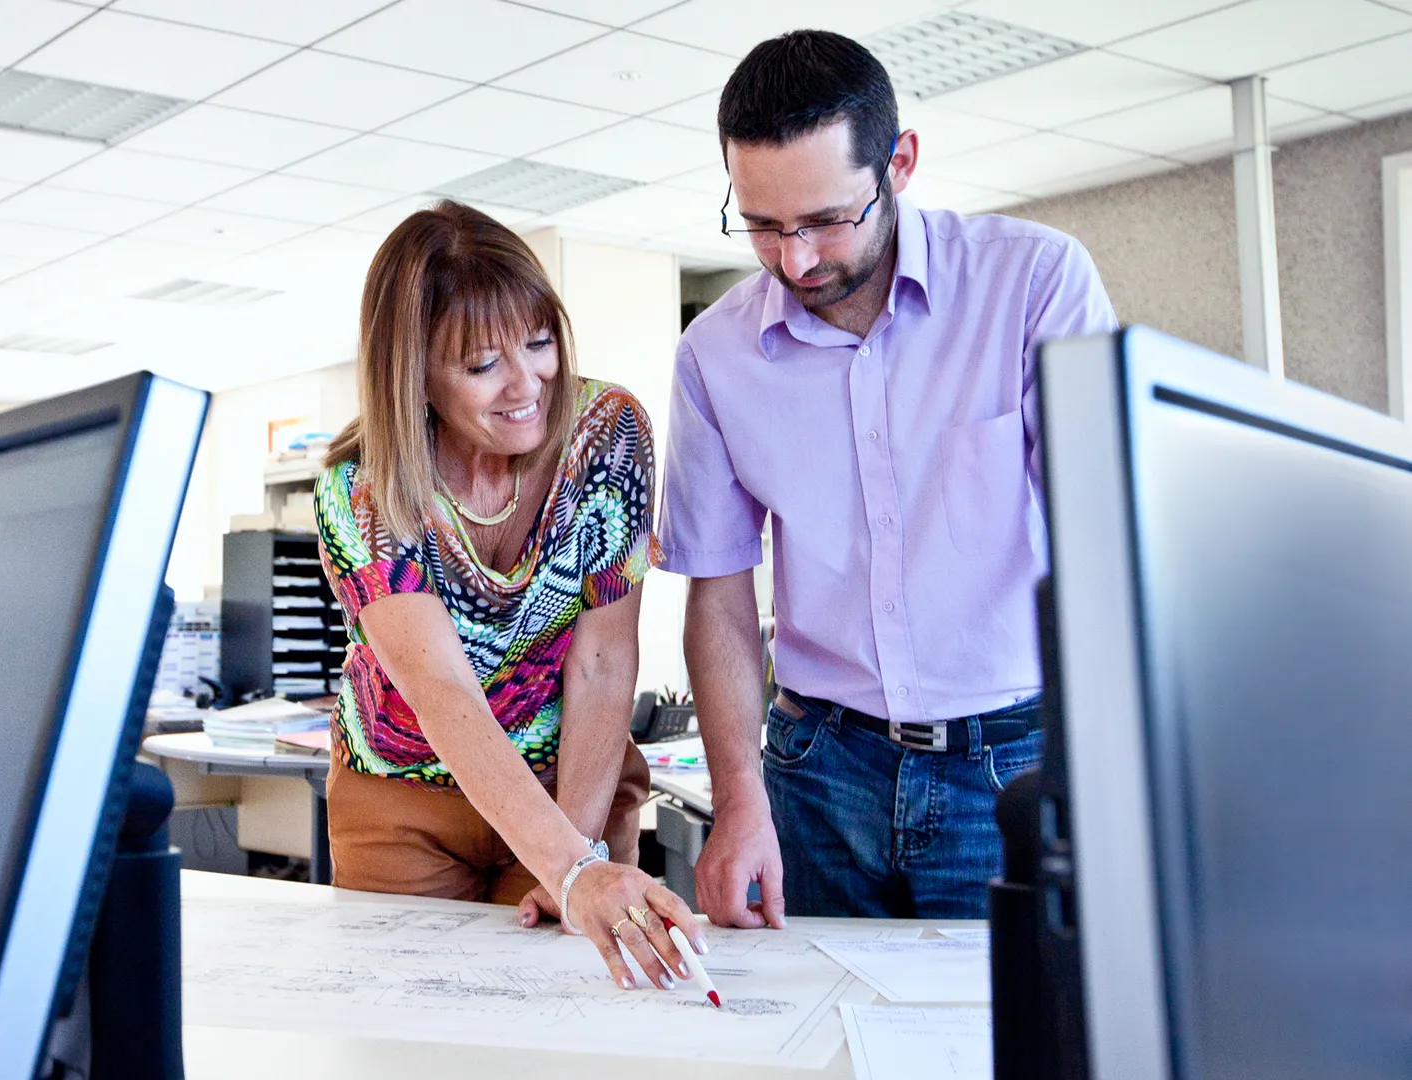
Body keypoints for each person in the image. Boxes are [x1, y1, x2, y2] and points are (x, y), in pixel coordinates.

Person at [660, 31, 1118, 924]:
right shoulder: (713, 355)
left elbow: (1103, 539)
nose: (795, 260)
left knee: (1005, 1010)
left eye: (825, 219)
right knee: (816, 1012)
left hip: (1009, 761)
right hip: (818, 770)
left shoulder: (1032, 282)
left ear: (898, 163)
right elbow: (717, 592)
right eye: (762, 225)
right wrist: (739, 797)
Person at [312, 200, 702, 991]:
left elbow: (601, 661)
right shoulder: (361, 492)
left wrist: (574, 861)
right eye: (483, 363)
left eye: (539, 342)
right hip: (404, 805)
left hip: (573, 788)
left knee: (568, 1008)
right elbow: (440, 687)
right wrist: (571, 869)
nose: (527, 384)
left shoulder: (606, 433)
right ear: (415, 373)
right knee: (417, 1020)